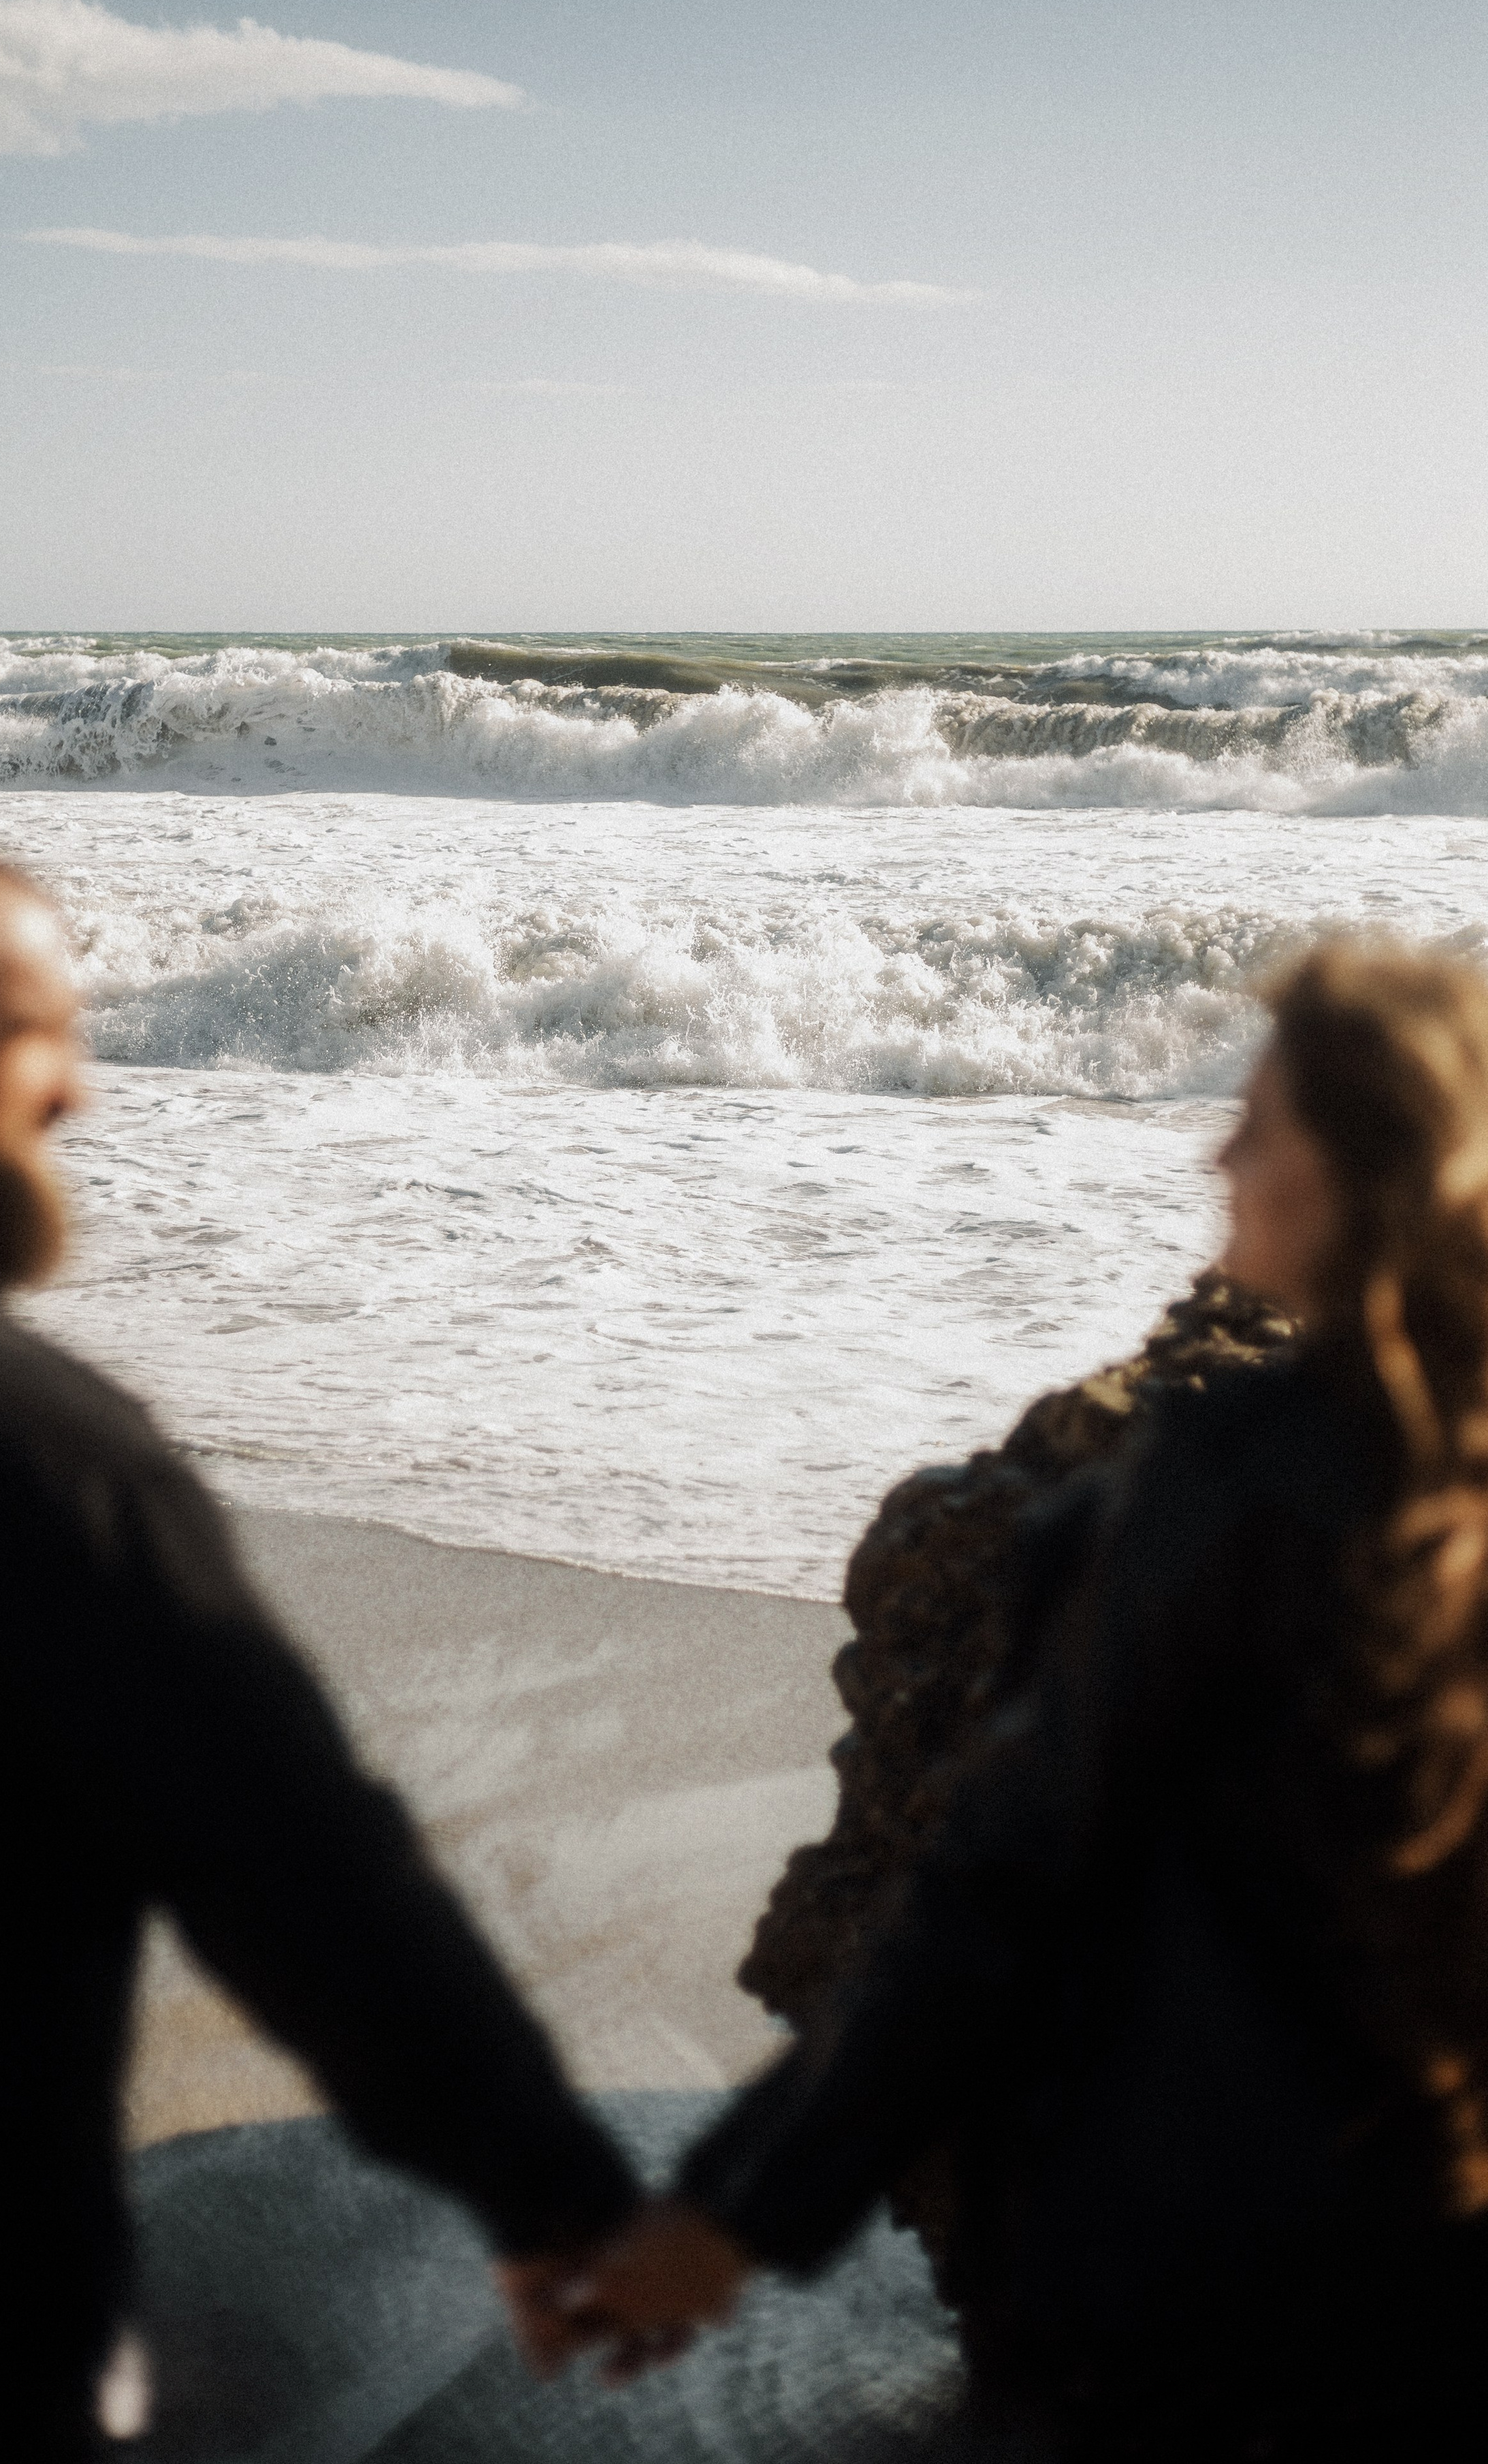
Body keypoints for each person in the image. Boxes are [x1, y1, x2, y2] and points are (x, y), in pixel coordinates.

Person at [0, 835, 640, 2461]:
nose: (76, 1093)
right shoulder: (23, 1454)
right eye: (33, 1034)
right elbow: (301, 1875)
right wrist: (551, 2191)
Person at [561, 940, 1488, 2459]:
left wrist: (733, 2215)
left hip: (1177, 2295)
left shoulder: (1226, 1479)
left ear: (1347, 1168)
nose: (1218, 1153)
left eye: (1255, 1124)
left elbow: (1002, 1884)